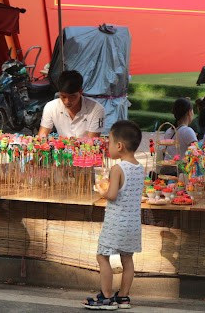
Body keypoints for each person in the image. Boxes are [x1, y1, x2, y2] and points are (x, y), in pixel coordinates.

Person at [83, 120, 144, 310]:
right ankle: (124, 297)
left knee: (102, 257)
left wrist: (101, 190)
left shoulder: (118, 168)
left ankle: (107, 297)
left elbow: (112, 195)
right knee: (127, 259)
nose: (107, 146)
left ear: (119, 146)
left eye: (109, 142)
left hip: (116, 223)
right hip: (133, 224)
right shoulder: (140, 168)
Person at [39, 70, 105, 138]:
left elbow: (92, 142)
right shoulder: (51, 107)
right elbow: (42, 136)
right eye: (63, 96)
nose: (67, 101)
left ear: (80, 92)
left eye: (72, 96)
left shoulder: (96, 109)